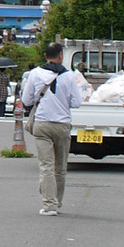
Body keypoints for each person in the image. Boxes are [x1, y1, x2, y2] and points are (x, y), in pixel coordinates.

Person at [19, 40, 84, 216]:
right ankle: (58, 201)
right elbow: (76, 102)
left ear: (46, 56)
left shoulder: (34, 74)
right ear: (61, 56)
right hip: (62, 124)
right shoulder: (70, 76)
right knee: (60, 168)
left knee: (46, 166)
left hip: (42, 123)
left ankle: (49, 205)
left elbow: (26, 100)